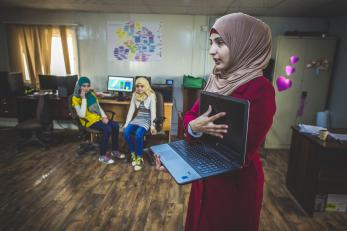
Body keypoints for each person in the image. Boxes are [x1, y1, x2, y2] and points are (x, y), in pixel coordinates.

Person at [155, 13, 276, 231]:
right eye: (211, 43)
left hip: (233, 189)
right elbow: (191, 119)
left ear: (244, 45)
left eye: (220, 42)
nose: (212, 50)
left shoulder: (260, 90)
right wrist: (193, 129)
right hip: (206, 181)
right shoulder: (215, 80)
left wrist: (182, 159)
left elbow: (234, 152)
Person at [71, 76, 125, 164]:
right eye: (83, 86)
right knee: (107, 129)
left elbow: (98, 108)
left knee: (115, 125)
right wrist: (84, 98)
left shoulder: (91, 94)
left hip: (98, 118)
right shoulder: (75, 98)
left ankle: (115, 150)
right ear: (79, 86)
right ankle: (102, 156)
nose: (86, 88)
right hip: (88, 121)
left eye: (88, 86)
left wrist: (104, 117)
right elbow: (81, 114)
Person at [123, 77, 157, 171]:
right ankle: (133, 153)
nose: (139, 88)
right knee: (126, 131)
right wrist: (126, 123)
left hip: (147, 118)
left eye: (142, 86)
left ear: (146, 86)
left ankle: (139, 157)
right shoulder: (135, 94)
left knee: (138, 134)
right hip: (139, 117)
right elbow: (131, 110)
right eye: (137, 86)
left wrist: (153, 126)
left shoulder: (151, 95)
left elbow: (153, 112)